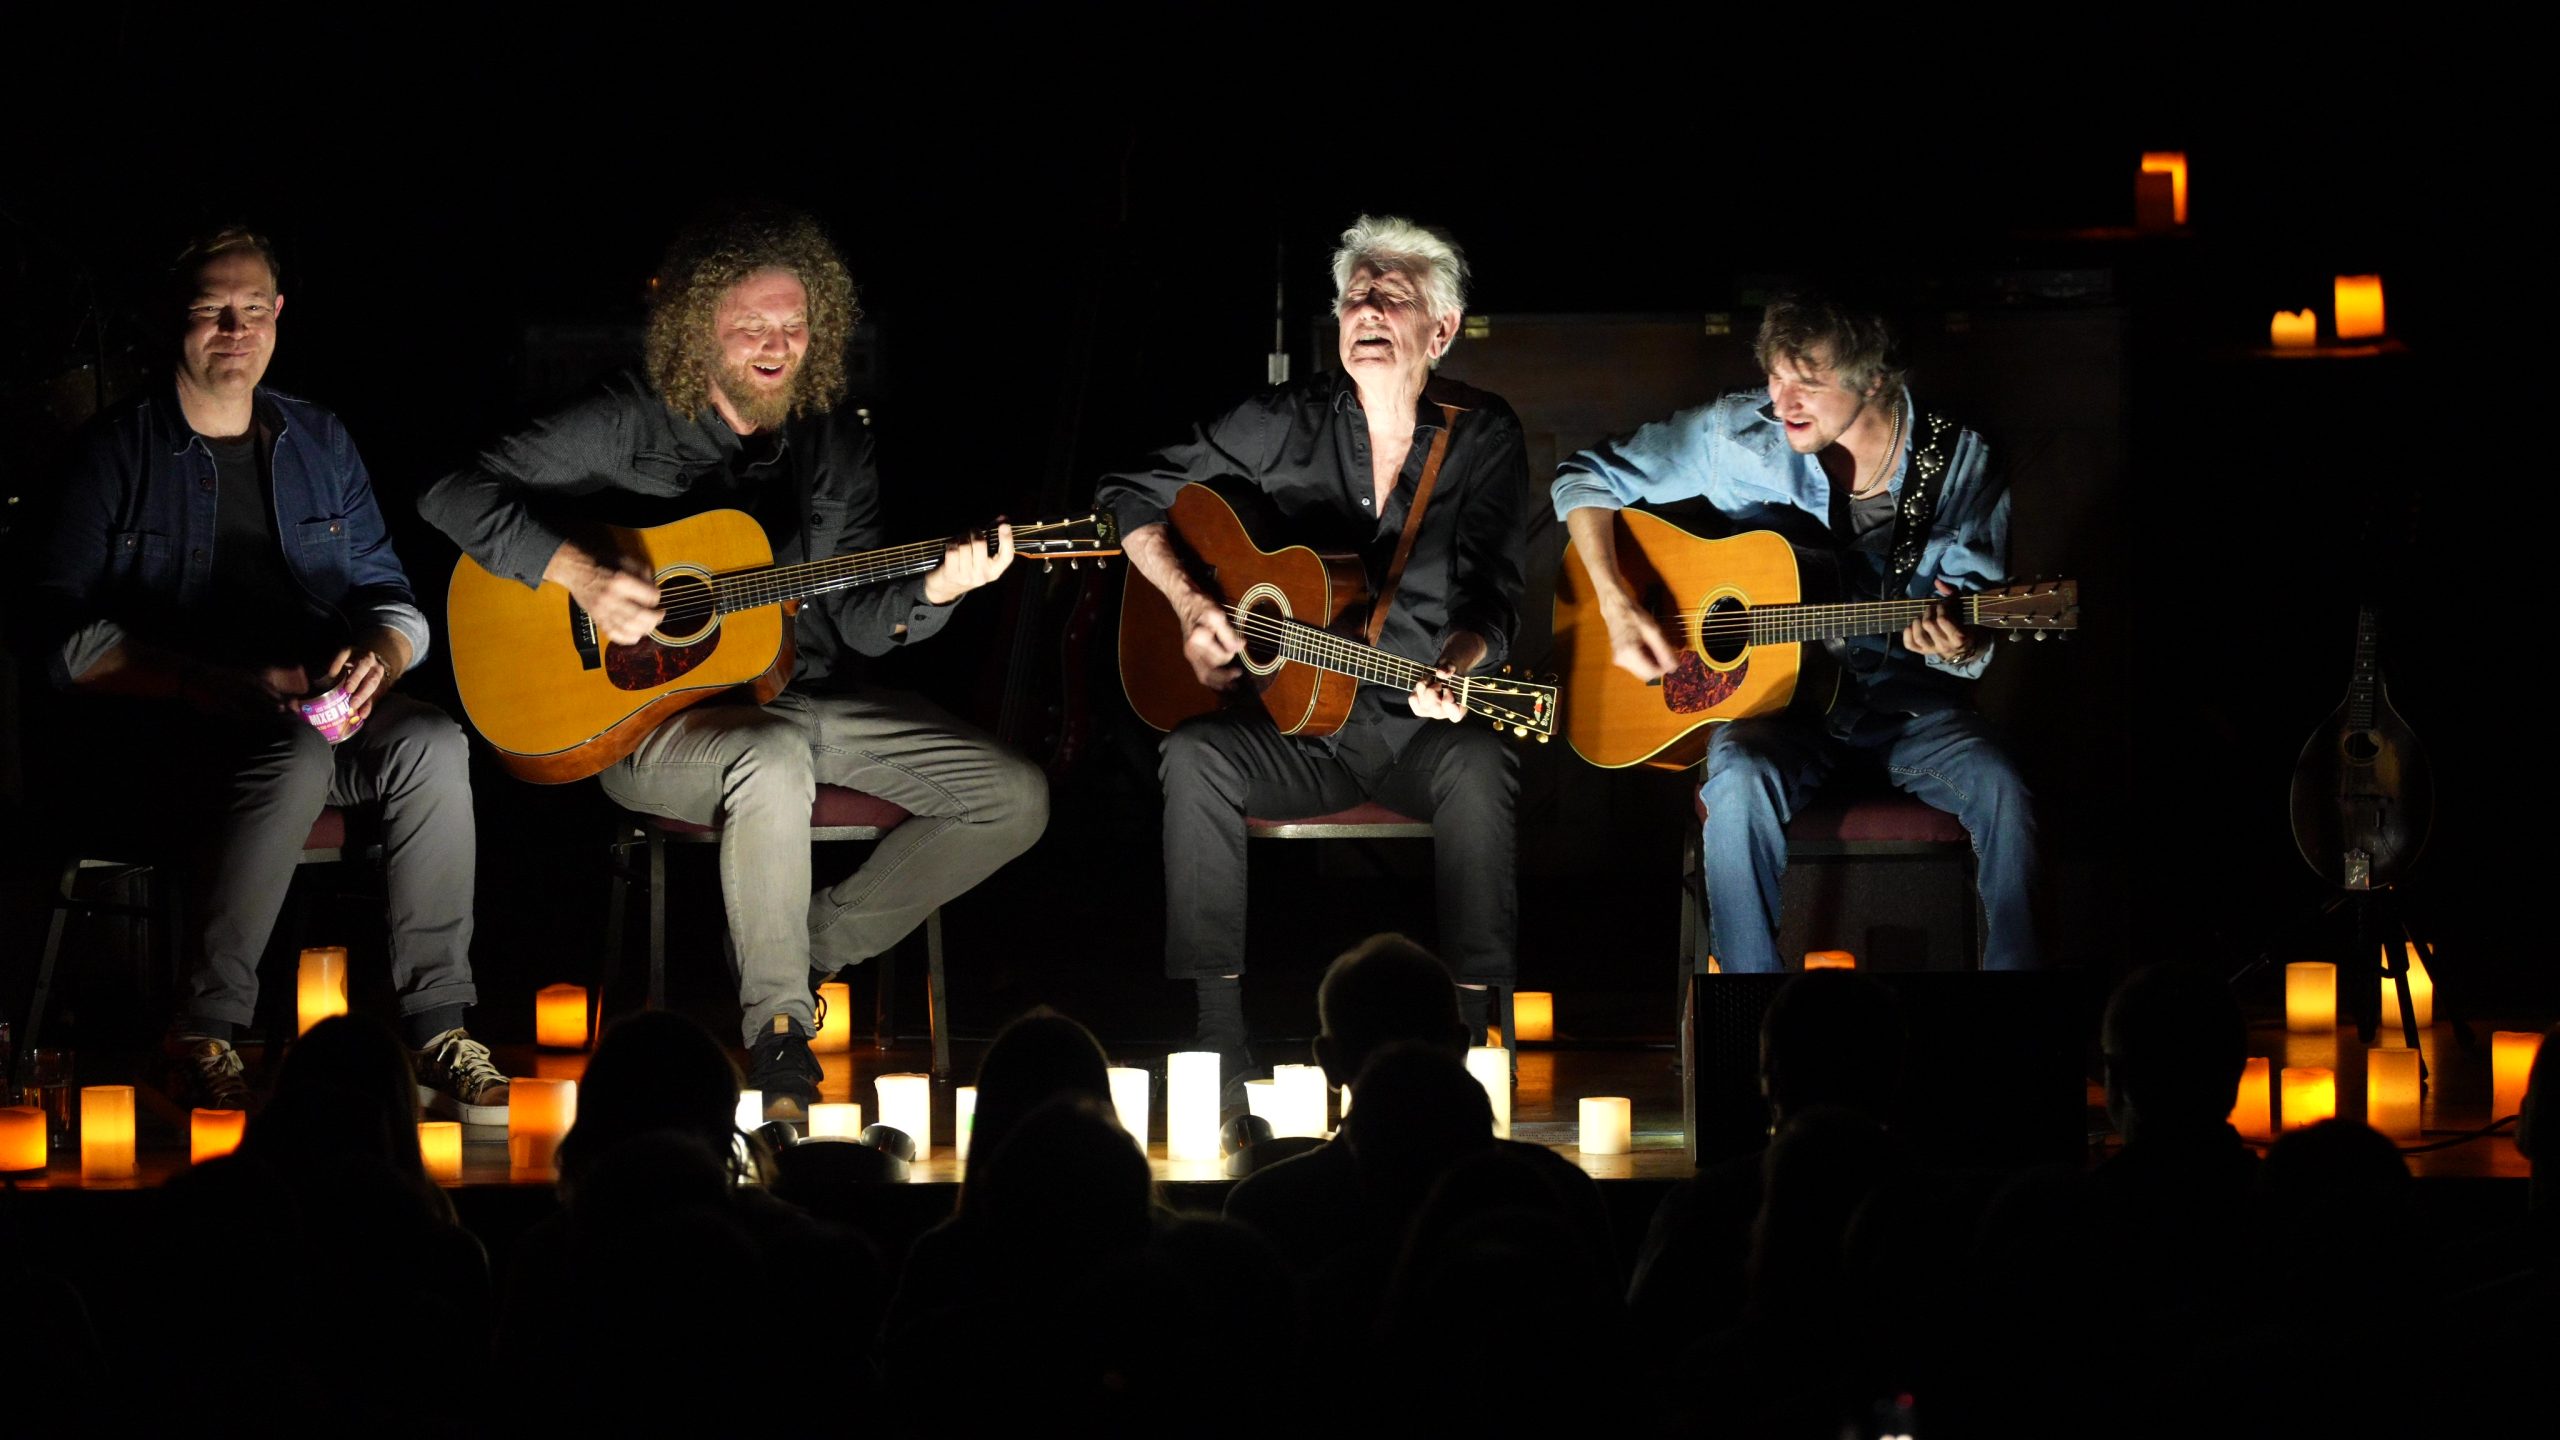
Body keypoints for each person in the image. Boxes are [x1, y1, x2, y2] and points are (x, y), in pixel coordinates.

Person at [419, 207, 1047, 1119]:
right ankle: (782, 1037)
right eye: (752, 324)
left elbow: (866, 626)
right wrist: (582, 573)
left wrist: (941, 590)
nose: (776, 344)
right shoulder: (628, 421)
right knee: (772, 758)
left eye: (794, 325)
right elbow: (450, 491)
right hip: (652, 726)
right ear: (697, 329)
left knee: (1015, 797)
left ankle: (805, 939)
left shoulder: (835, 444)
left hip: (798, 700)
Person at [30, 226, 504, 1118]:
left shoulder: (317, 439)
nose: (234, 329)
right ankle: (203, 1031)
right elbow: (56, 640)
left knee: (435, 740)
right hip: (175, 733)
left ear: (278, 315)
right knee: (294, 755)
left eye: (253, 308)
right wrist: (207, 682)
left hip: (309, 714)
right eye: (213, 309)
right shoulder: (115, 453)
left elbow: (391, 594)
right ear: (176, 318)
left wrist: (383, 656)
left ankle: (440, 1023)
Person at [1096, 216, 1531, 1074]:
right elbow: (1127, 494)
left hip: (1415, 733)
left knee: (1482, 763)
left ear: (1440, 331)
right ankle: (1218, 1040)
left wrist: (1458, 664)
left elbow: (1495, 599)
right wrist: (1188, 603)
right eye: (1355, 296)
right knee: (1193, 756)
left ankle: (1480, 1034)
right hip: (1298, 733)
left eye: (1391, 297)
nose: (1367, 310)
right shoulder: (1279, 422)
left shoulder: (1483, 435)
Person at [1552, 292, 2040, 971]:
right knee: (1737, 778)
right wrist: (1616, 602)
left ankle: (2017, 1021)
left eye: (1806, 382)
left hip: (1908, 713)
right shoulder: (1737, 435)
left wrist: (1963, 643)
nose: (1782, 402)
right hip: (1779, 717)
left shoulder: (1960, 464)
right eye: (1776, 375)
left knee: (2003, 789)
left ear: (1874, 376)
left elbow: (1975, 625)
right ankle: (1751, 1021)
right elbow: (1584, 478)